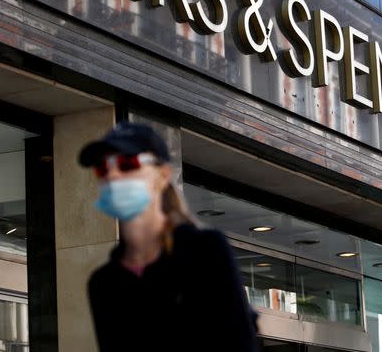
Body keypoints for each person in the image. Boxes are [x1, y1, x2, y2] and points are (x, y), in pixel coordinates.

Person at [79, 122, 259, 352]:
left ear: (162, 175)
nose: (112, 176)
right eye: (102, 168)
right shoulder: (104, 283)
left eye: (127, 164)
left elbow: (238, 343)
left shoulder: (204, 250)